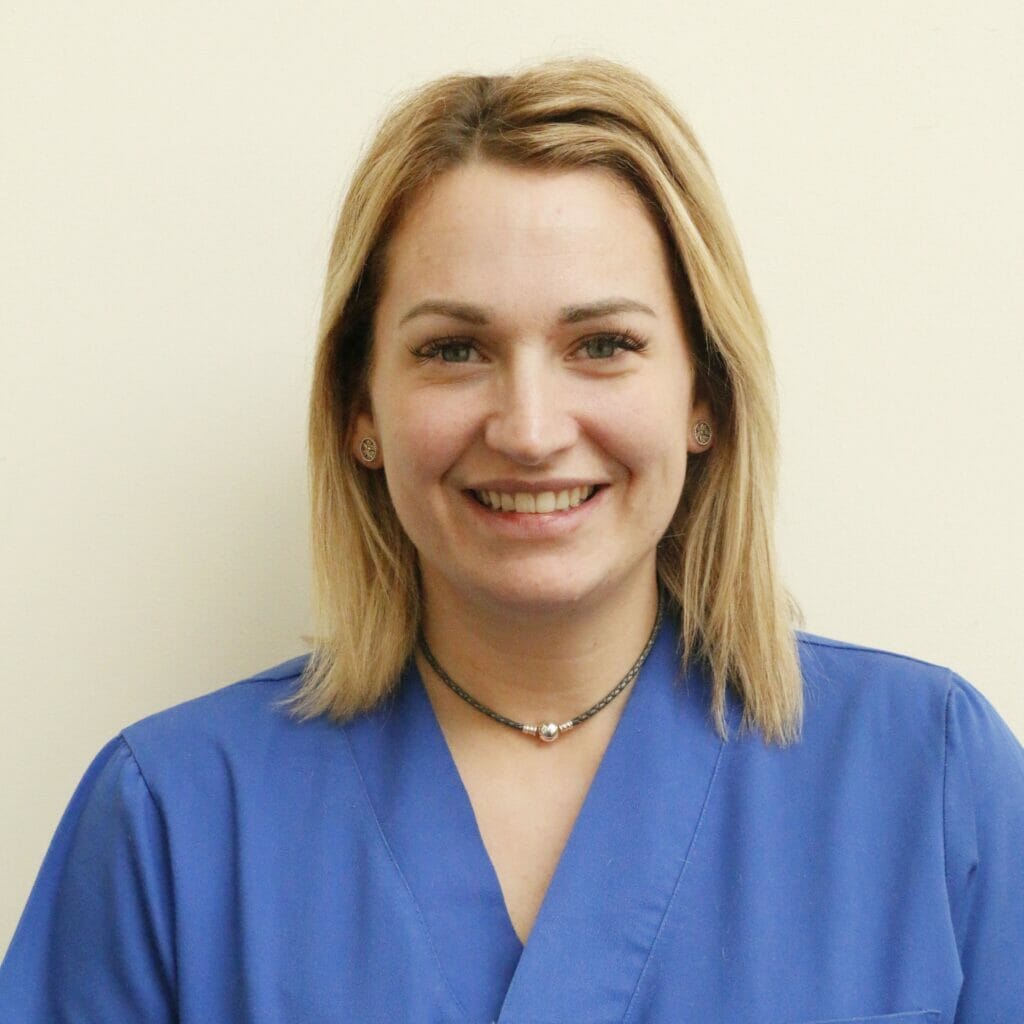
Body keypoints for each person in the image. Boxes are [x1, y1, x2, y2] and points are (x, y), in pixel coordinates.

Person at [1, 56, 1021, 1024]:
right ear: (361, 408)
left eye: (603, 345)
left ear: (704, 396)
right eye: (454, 350)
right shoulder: (171, 823)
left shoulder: (929, 781)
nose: (530, 431)